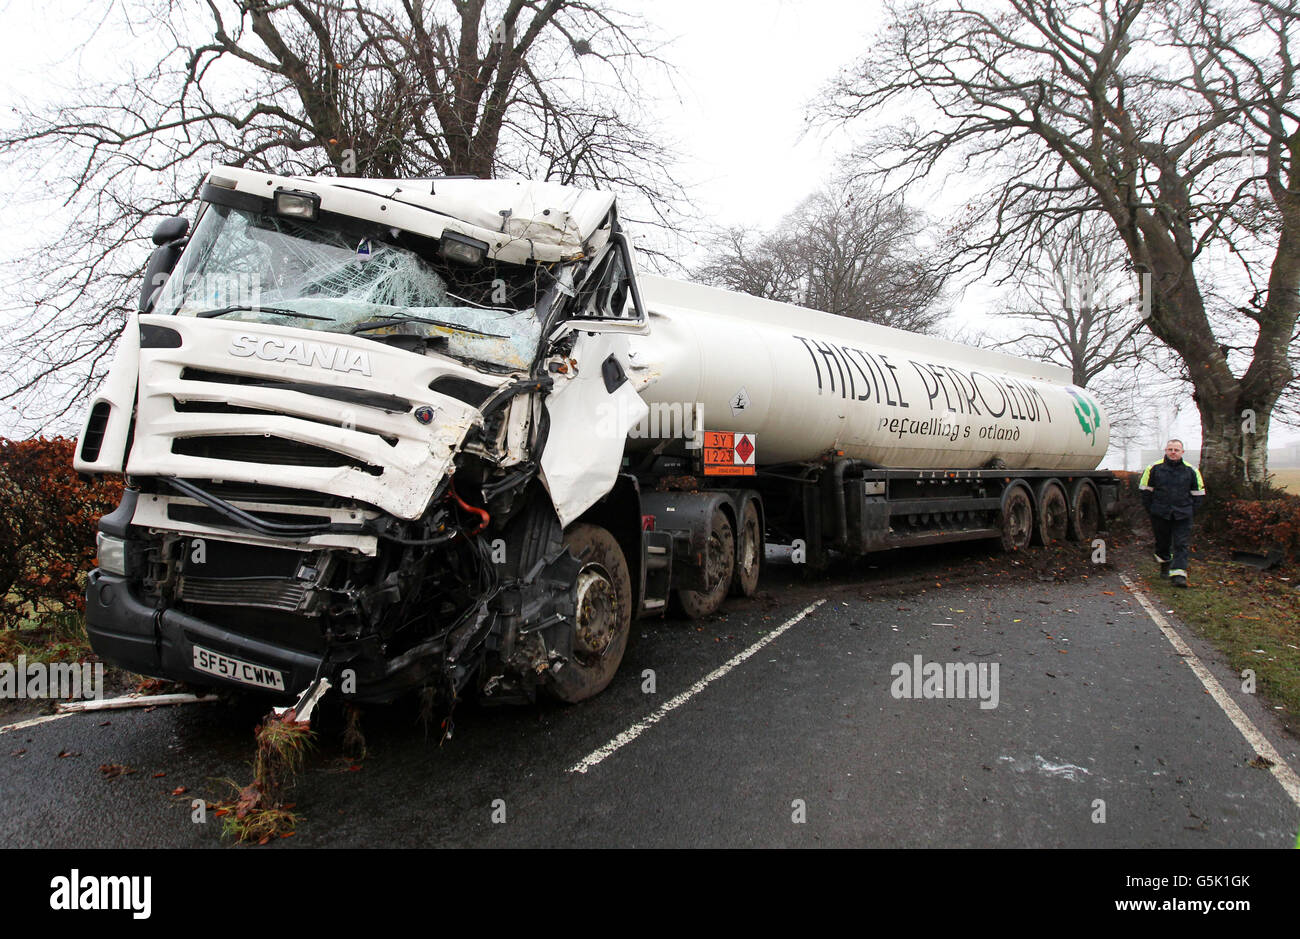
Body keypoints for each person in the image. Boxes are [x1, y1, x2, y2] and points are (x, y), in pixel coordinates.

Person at [1138, 439, 1206, 588]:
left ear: (1182, 452)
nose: (1173, 452)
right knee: (1162, 544)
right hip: (1160, 513)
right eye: (1170, 449)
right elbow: (1145, 491)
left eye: (1176, 450)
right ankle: (1165, 562)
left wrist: (1190, 510)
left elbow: (1198, 493)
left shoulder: (1191, 471)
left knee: (1181, 544)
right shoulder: (1153, 468)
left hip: (1183, 514)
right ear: (1166, 451)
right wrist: (1152, 509)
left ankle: (1179, 575)